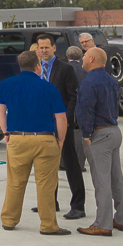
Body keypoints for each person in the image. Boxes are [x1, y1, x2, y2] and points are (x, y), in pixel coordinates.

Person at [0, 49, 70, 235]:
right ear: (38, 66)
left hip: (17, 138)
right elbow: (61, 117)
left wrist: (5, 132)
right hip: (45, 138)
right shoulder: (49, 88)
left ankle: (9, 220)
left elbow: (0, 110)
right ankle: (48, 225)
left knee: (15, 182)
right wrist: (60, 140)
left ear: (20, 66)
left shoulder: (6, 84)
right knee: (46, 185)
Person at [76, 45, 123, 235]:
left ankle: (103, 224)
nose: (82, 59)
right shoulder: (110, 80)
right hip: (114, 131)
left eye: (85, 56)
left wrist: (86, 134)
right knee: (116, 179)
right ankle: (121, 219)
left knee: (101, 181)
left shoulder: (89, 82)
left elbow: (86, 110)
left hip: (100, 134)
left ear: (92, 59)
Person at [32, 32, 86, 220]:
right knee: (47, 165)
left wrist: (67, 120)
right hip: (42, 125)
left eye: (46, 47)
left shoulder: (65, 69)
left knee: (70, 164)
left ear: (54, 48)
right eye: (40, 48)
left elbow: (73, 97)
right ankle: (49, 201)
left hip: (62, 124)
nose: (43, 50)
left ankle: (78, 206)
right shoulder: (36, 70)